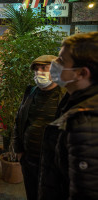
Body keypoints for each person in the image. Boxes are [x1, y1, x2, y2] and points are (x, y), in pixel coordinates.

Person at [38, 32, 98, 200]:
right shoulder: (73, 102)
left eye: (61, 61)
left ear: (81, 73)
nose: (54, 64)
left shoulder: (87, 122)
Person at [13, 55, 65, 200]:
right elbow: (19, 121)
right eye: (36, 69)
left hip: (54, 166)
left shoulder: (67, 96)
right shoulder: (30, 93)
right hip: (30, 160)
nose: (39, 73)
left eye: (44, 68)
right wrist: (19, 150)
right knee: (32, 194)